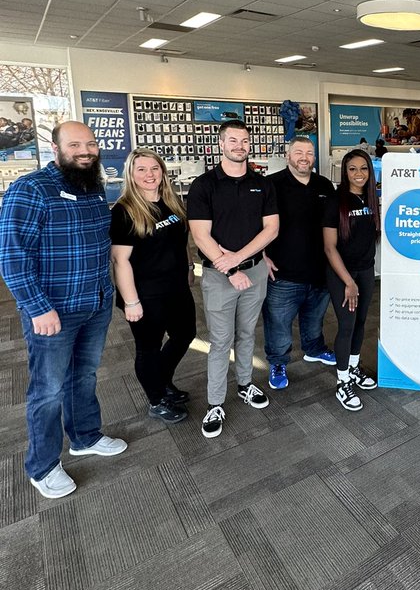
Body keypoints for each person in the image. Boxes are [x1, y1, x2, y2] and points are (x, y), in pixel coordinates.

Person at [0, 121, 127, 498]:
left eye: (90, 143)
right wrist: (38, 309)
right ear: (55, 148)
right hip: (53, 310)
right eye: (75, 144)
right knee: (48, 390)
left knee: (84, 376)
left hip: (95, 304)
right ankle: (42, 466)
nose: (85, 150)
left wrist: (108, 295)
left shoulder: (92, 186)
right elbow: (12, 258)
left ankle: (85, 436)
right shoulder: (30, 189)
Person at [187, 121, 279, 439]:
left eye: (245, 140)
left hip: (253, 272)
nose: (240, 145)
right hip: (218, 275)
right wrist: (230, 270)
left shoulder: (262, 184)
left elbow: (271, 229)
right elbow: (201, 235)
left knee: (247, 334)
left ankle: (245, 385)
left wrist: (240, 262)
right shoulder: (204, 185)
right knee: (220, 341)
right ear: (221, 143)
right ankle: (215, 403)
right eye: (233, 140)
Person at [110, 149, 197, 424]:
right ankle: (157, 399)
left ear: (162, 172)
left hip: (176, 287)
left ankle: (161, 380)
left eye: (154, 169)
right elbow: (120, 260)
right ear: (131, 175)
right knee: (148, 348)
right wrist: (131, 301)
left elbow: (181, 242)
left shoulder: (172, 203)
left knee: (185, 335)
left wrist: (190, 267)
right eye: (142, 170)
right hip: (145, 293)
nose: (149, 175)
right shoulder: (124, 211)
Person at [262, 136, 336, 391]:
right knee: (278, 323)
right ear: (287, 155)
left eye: (309, 152)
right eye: (298, 152)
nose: (304, 157)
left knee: (314, 318)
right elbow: (254, 225)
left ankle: (314, 348)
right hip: (283, 272)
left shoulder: (324, 185)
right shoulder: (271, 185)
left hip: (319, 270)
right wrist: (262, 256)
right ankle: (278, 361)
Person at [323, 148, 380, 411]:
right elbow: (329, 248)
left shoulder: (372, 200)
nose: (359, 174)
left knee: (360, 323)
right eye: (352, 169)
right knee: (346, 326)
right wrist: (348, 281)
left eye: (364, 168)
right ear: (344, 172)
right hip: (342, 274)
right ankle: (342, 381)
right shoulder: (336, 201)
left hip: (366, 271)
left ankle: (354, 368)